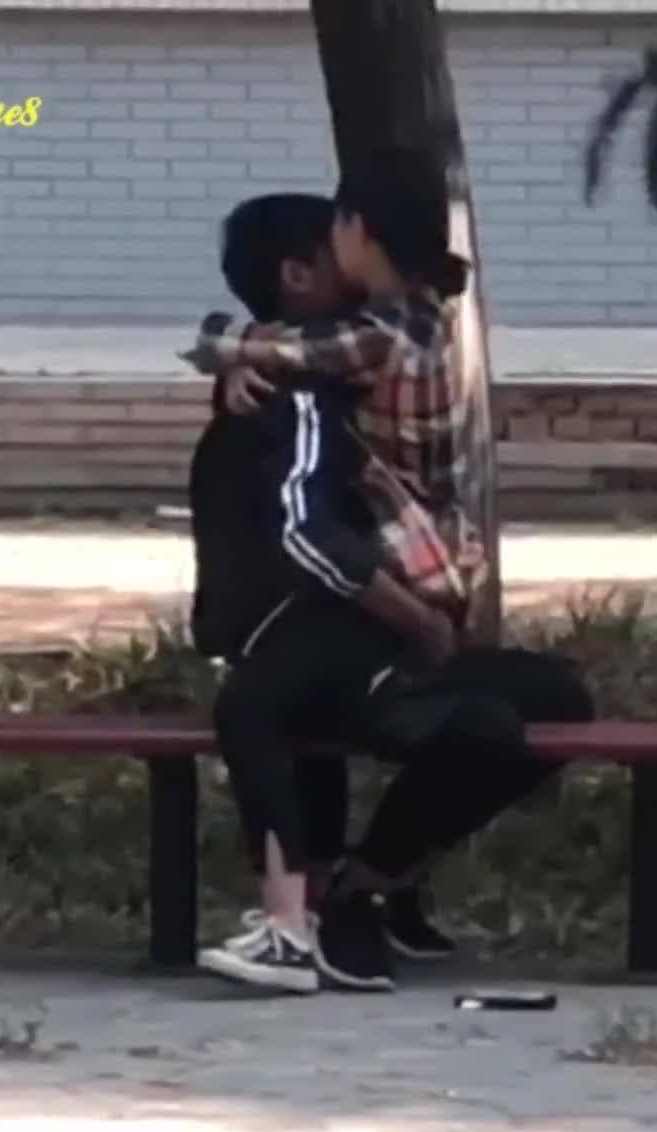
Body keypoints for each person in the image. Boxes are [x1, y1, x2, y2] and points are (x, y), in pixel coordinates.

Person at [188, 191, 595, 996]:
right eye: (336, 243)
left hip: (365, 633)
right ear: (300, 276)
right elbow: (310, 538)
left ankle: (368, 887)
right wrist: (415, 617)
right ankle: (299, 917)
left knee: (553, 699)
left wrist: (232, 349)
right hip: (319, 635)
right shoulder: (297, 391)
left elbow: (273, 341)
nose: (352, 255)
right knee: (460, 725)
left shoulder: (357, 354)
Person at [185, 148, 482, 625]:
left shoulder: (369, 341)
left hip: (404, 562)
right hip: (437, 555)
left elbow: (246, 343)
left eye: (339, 226)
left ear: (359, 231)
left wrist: (236, 354)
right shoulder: (430, 307)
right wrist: (241, 364)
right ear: (296, 275)